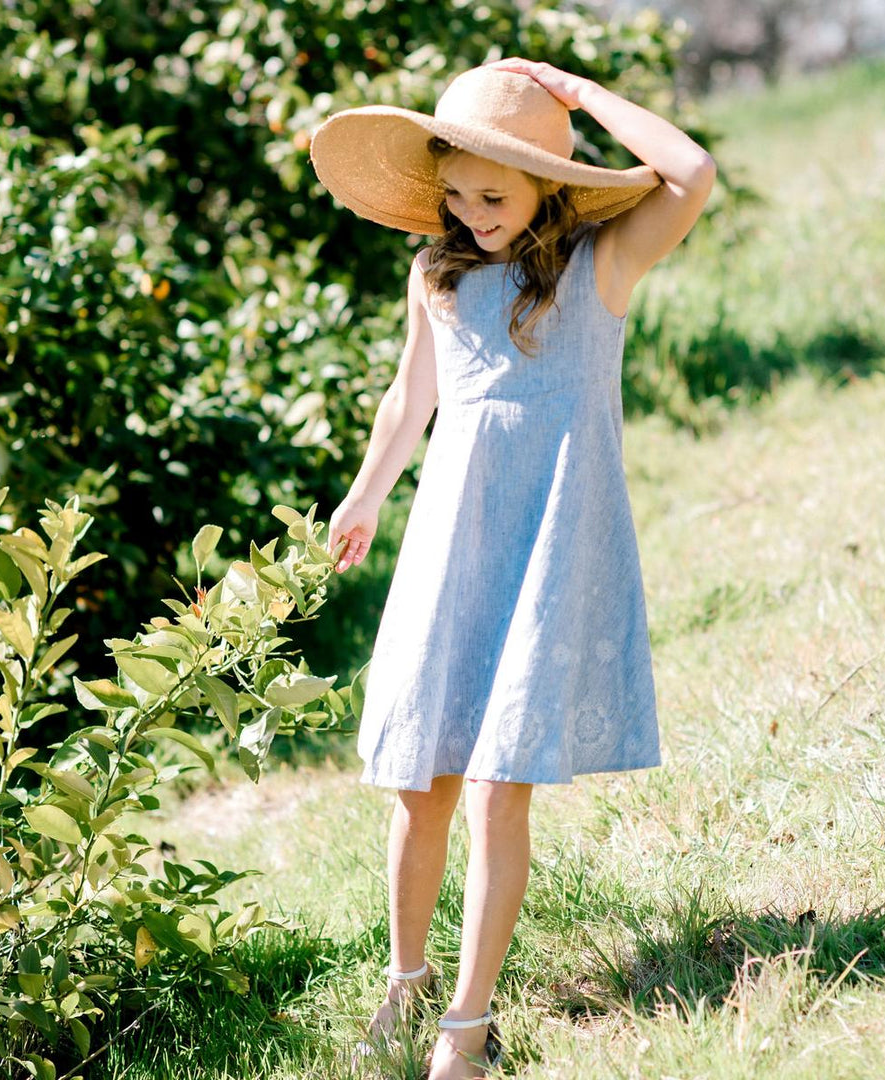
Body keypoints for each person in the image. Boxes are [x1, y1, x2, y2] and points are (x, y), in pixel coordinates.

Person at [310, 56, 715, 1079]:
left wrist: (580, 96)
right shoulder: (436, 275)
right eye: (456, 194)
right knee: (424, 782)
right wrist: (364, 495)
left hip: (549, 544)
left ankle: (468, 1024)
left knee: (497, 788)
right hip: (453, 541)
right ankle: (404, 983)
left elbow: (691, 171)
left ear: (547, 183)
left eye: (494, 195)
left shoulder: (600, 267)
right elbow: (411, 399)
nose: (472, 214)